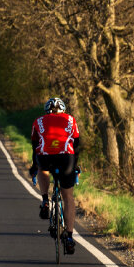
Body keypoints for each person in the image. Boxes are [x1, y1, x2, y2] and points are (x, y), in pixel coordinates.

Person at [29, 97, 81, 254]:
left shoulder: (38, 121)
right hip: (66, 158)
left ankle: (45, 200)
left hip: (45, 157)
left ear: (47, 111)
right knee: (68, 197)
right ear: (63, 110)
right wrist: (75, 165)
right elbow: (76, 144)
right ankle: (70, 236)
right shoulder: (71, 119)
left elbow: (35, 146)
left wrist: (34, 166)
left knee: (42, 169)